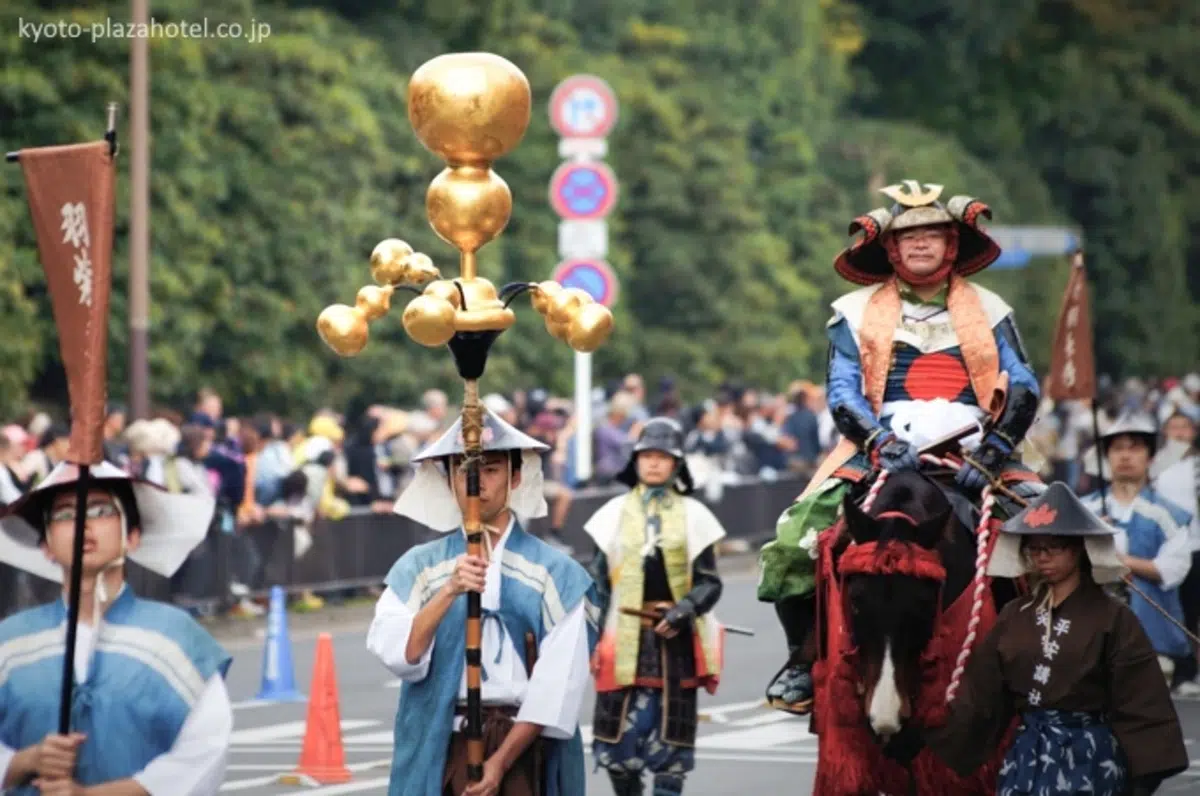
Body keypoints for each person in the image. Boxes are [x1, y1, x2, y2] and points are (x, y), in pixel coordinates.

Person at [758, 180, 1044, 713]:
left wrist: (993, 451)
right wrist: (878, 440)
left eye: (931, 233)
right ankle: (802, 660)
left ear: (951, 244)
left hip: (977, 450)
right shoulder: (854, 310)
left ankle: (1049, 660)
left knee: (1056, 531)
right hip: (879, 449)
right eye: (907, 236)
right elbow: (842, 389)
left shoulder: (990, 308)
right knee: (791, 537)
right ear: (889, 247)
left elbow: (1023, 383)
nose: (918, 244)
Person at [883, 481, 1189, 796]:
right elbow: (981, 694)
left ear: (1079, 548)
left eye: (1053, 547)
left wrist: (1142, 779)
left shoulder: (1113, 617)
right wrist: (924, 739)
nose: (1042, 557)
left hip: (1090, 756)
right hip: (1027, 756)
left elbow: (1140, 698)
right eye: (1034, 547)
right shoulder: (1016, 615)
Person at [366, 406, 599, 796]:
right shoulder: (418, 567)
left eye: (490, 470)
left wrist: (500, 762)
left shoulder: (558, 574)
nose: (476, 484)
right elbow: (399, 653)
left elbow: (557, 686)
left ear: (516, 476)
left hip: (521, 747)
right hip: (440, 744)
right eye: (463, 471)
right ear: (448, 479)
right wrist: (448, 591)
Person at [0, 460, 232, 795]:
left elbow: (203, 755)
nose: (82, 525)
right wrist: (26, 761)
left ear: (133, 537)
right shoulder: (9, 642)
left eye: (99, 511)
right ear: (47, 547)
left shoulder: (177, 638)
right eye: (64, 515)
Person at [582, 418, 726, 796]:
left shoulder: (695, 516)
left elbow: (710, 583)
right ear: (636, 461)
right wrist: (590, 637)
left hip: (674, 645)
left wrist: (683, 611)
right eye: (647, 455)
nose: (654, 463)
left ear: (676, 464)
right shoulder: (611, 513)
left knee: (671, 754)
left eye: (663, 456)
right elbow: (596, 585)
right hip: (620, 637)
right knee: (615, 749)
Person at [1081, 413, 1194, 685]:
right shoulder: (1085, 510)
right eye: (1117, 448)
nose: (1125, 456)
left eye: (1134, 448)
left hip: (1152, 638)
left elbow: (1172, 569)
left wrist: (1118, 560)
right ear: (1106, 457)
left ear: (1150, 457)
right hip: (1090, 639)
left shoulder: (1170, 514)